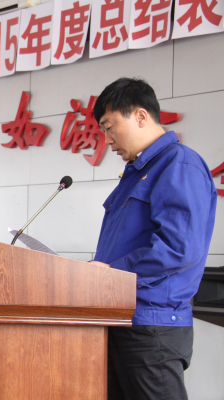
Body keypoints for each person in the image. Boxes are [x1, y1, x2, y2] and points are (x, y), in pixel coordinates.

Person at [90, 78, 217, 400]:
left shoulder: (179, 164)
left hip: (152, 323)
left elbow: (178, 248)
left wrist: (109, 274)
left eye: (109, 127)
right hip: (120, 318)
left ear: (141, 116)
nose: (107, 140)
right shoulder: (136, 174)